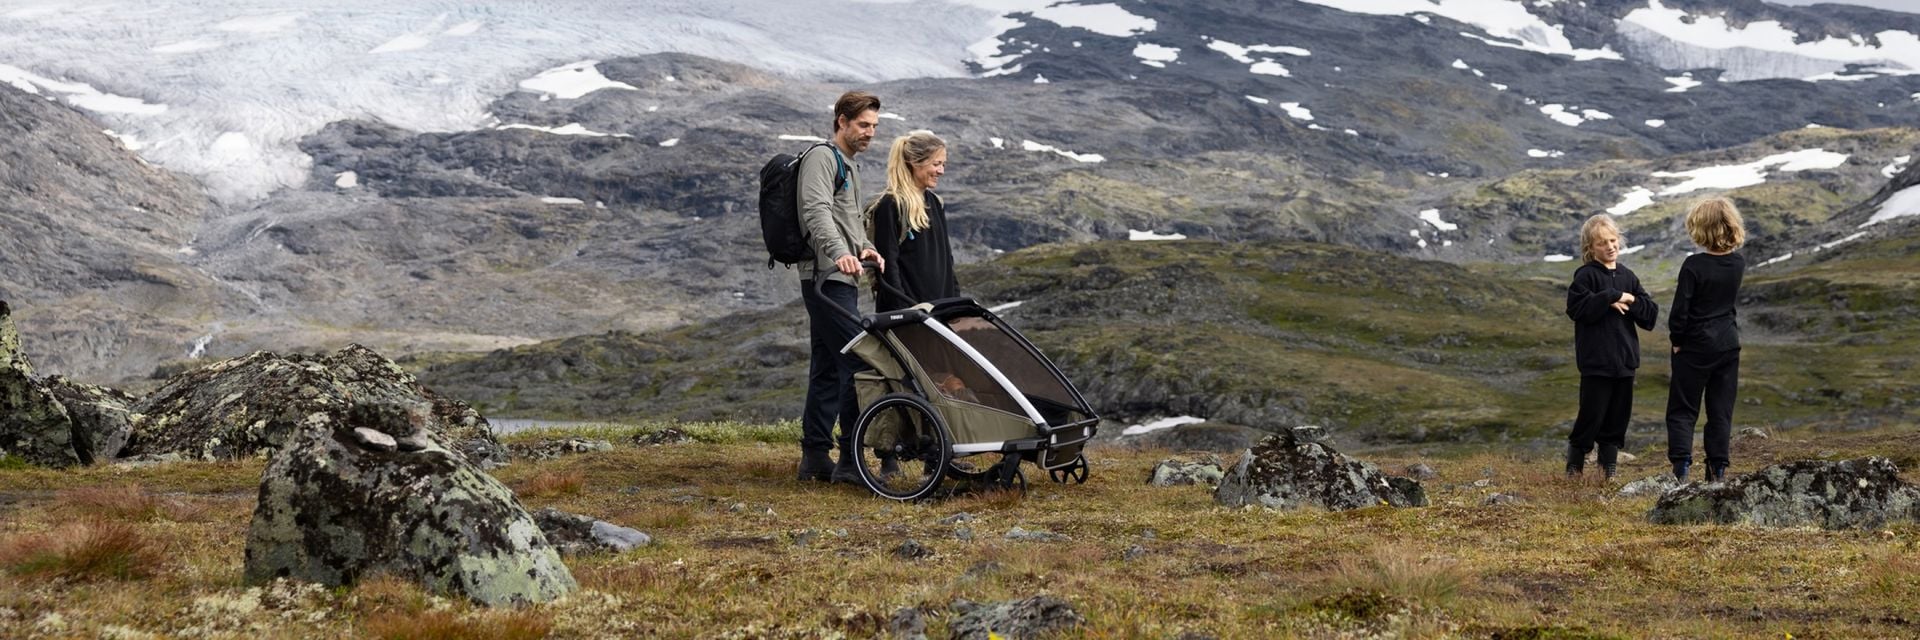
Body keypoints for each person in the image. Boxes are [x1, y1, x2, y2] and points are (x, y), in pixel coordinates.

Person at [797, 91, 885, 484]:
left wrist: (864, 247)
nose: (870, 133)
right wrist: (838, 253)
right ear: (842, 122)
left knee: (828, 367)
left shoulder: (850, 165)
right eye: (863, 125)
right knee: (860, 362)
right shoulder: (822, 157)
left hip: (842, 279)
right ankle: (851, 460)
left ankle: (815, 457)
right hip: (825, 279)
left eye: (874, 127)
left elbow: (846, 219)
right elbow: (814, 209)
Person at [1564, 214, 1659, 480]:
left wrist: (1629, 299)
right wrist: (1610, 296)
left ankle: (1608, 474)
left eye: (1613, 240)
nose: (1610, 246)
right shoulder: (1585, 276)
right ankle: (1574, 472)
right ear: (1590, 248)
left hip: (1625, 362)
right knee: (1590, 417)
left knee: (1618, 419)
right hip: (1597, 362)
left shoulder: (1628, 276)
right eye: (1602, 243)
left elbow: (1650, 314)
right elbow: (1576, 309)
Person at [1663, 198, 1747, 483]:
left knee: (1683, 409)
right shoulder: (1737, 262)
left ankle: (1681, 468)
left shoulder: (1693, 266)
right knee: (1720, 410)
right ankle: (1717, 471)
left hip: (1694, 346)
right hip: (1728, 344)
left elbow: (1680, 311)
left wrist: (1677, 340)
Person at [868, 130, 957, 311]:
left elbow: (947, 259)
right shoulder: (891, 205)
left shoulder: (935, 203)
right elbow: (887, 265)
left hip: (939, 309)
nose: (941, 171)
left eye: (943, 164)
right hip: (909, 313)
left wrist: (955, 302)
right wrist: (902, 309)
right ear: (916, 163)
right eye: (937, 164)